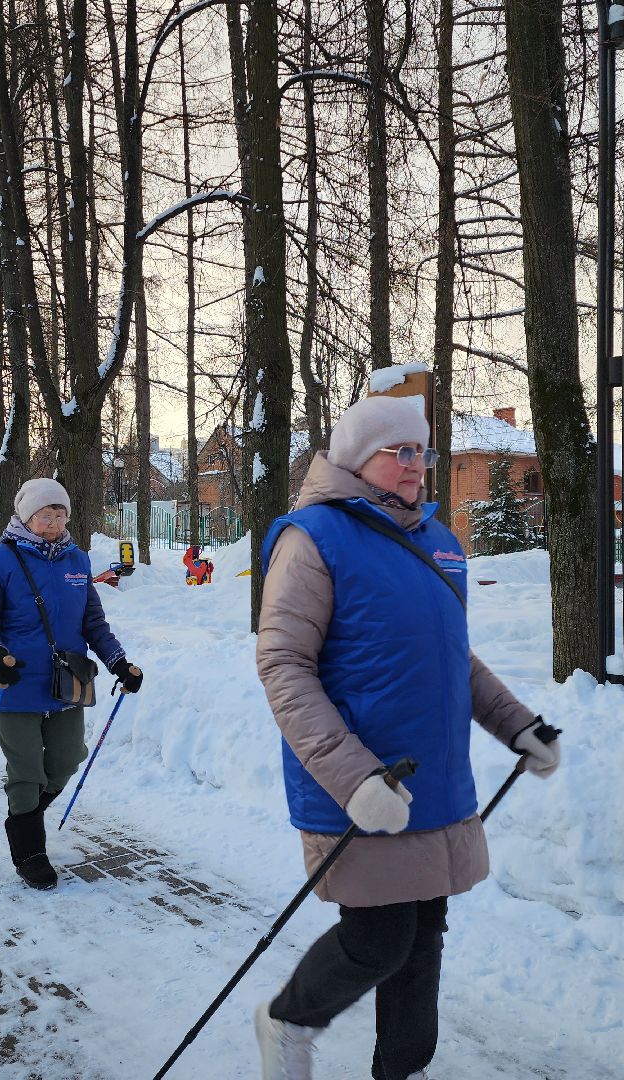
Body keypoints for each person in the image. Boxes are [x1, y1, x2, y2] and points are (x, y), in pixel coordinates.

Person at [253, 395, 562, 1080]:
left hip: (434, 784)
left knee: (422, 939)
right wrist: (355, 777)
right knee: (378, 940)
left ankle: (404, 1069)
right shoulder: (313, 538)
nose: (418, 464)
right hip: (360, 785)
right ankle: (287, 1022)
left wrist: (517, 725)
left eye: (423, 451)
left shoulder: (440, 543)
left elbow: (455, 658)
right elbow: (283, 665)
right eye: (402, 451)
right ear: (361, 458)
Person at [0, 478, 144, 890]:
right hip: (13, 682)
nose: (54, 521)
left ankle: (26, 817)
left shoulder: (77, 561)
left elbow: (92, 623)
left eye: (60, 513)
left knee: (65, 760)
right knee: (26, 771)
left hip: (67, 682)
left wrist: (119, 663)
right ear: (27, 517)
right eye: (45, 514)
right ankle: (29, 850)